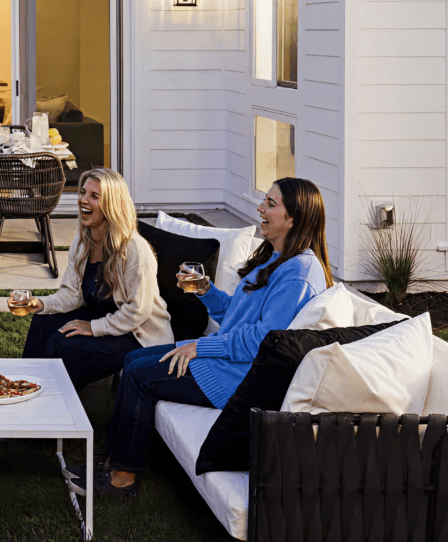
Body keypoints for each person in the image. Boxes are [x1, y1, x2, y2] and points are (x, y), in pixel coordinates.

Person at [96, 177, 334, 495]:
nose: (260, 208)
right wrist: (205, 290)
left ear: (295, 218)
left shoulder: (300, 274)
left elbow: (265, 338)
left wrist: (201, 347)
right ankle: (114, 459)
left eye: (271, 204)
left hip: (233, 377)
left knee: (140, 375)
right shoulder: (278, 257)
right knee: (133, 359)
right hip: (223, 359)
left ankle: (123, 477)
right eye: (264, 200)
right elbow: (239, 315)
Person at [14, 168, 173, 392]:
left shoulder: (134, 249)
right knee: (43, 322)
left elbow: (138, 311)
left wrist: (93, 327)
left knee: (63, 345)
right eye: (83, 192)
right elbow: (72, 294)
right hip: (104, 318)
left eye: (94, 196)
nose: (83, 200)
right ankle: (22, 387)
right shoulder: (82, 240)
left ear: (112, 205)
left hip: (136, 335)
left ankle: (50, 400)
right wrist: (40, 304)